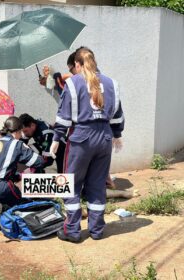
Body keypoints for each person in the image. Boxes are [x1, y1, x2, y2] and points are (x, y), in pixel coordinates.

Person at [50, 48, 124, 243]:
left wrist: (56, 138)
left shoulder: (73, 83)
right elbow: (117, 116)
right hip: (105, 138)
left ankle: (72, 231)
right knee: (97, 184)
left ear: (77, 65)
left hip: (81, 138)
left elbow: (64, 116)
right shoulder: (112, 83)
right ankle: (97, 229)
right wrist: (117, 135)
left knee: (70, 185)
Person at [0, 116, 44, 229]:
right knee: (22, 201)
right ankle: (4, 209)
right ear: (18, 131)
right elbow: (39, 162)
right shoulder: (17, 144)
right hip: (1, 187)